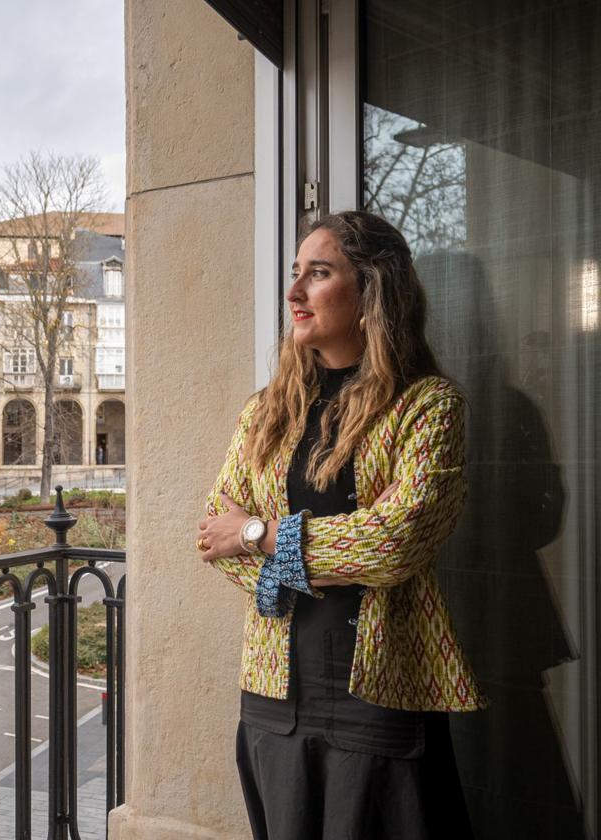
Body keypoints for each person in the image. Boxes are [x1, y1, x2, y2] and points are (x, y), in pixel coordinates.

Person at [195, 210, 485, 839]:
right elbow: (216, 533)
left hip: (380, 693)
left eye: (319, 273)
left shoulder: (428, 407)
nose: (295, 292)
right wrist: (303, 555)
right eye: (295, 274)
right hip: (274, 695)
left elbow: (394, 544)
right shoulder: (264, 414)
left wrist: (263, 536)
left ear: (372, 291)